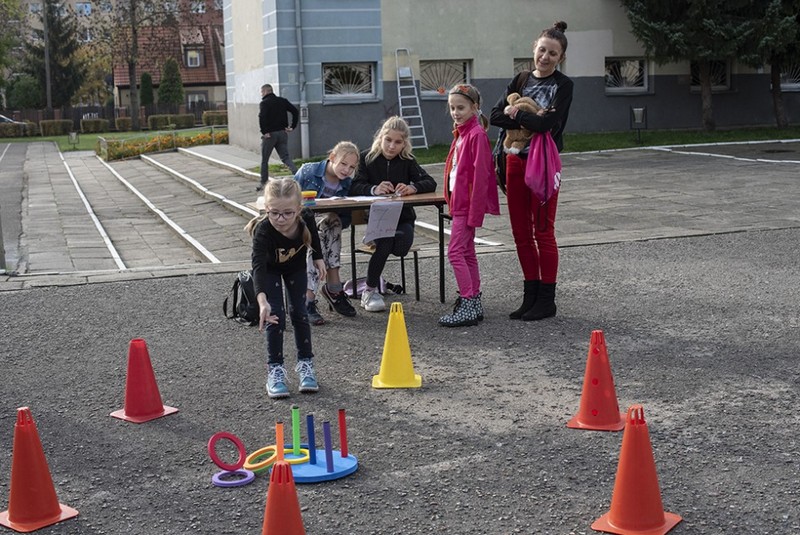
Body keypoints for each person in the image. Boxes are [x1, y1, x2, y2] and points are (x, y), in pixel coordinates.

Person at [490, 21, 574, 321]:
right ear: (534, 49)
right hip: (514, 162)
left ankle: (547, 300)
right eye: (542, 50)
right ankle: (530, 296)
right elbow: (495, 116)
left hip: (543, 163)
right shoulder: (521, 79)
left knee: (543, 231)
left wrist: (520, 115)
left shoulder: (564, 86)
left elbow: (548, 125)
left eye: (553, 53)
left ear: (560, 57)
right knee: (521, 233)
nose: (545, 56)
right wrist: (529, 118)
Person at [246, 178, 326, 399]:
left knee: (300, 313)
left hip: (295, 269)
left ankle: (306, 365)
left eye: (288, 213)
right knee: (275, 316)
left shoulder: (306, 217)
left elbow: (314, 236)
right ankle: (275, 370)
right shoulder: (263, 231)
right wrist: (262, 302)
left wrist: (318, 258)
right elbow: (258, 268)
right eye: (274, 213)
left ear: (298, 209)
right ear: (266, 209)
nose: (281, 219)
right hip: (270, 271)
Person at [349, 116, 437, 312]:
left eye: (398, 142)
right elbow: (354, 186)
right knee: (387, 241)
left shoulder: (408, 161)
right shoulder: (367, 158)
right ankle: (369, 291)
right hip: (378, 219)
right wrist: (374, 189)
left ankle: (376, 241)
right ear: (381, 137)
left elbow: (430, 182)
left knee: (400, 247)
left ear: (404, 143)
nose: (391, 146)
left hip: (404, 219)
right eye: (388, 140)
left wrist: (413, 188)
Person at [439, 84, 500, 327]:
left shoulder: (476, 135)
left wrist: (475, 214)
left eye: (461, 107)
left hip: (466, 206)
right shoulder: (463, 134)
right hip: (459, 203)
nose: (455, 112)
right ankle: (474, 301)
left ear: (475, 108)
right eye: (452, 108)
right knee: (467, 252)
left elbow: (482, 177)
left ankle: (467, 302)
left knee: (455, 252)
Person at [294, 141, 360, 324]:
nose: (347, 170)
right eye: (343, 164)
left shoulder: (346, 183)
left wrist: (334, 214)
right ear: (332, 158)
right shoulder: (308, 171)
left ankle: (317, 294)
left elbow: (346, 216)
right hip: (300, 226)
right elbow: (289, 197)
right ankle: (322, 292)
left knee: (332, 223)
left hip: (327, 229)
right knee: (320, 231)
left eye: (352, 167)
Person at [257, 84, 299, 191]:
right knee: (285, 157)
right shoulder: (282, 101)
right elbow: (295, 111)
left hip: (270, 135)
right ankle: (298, 176)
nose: (261, 94)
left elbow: (262, 117)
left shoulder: (264, 103)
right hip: (282, 133)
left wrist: (264, 132)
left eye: (261, 92)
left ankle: (263, 182)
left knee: (264, 160)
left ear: (266, 91)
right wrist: (292, 126)